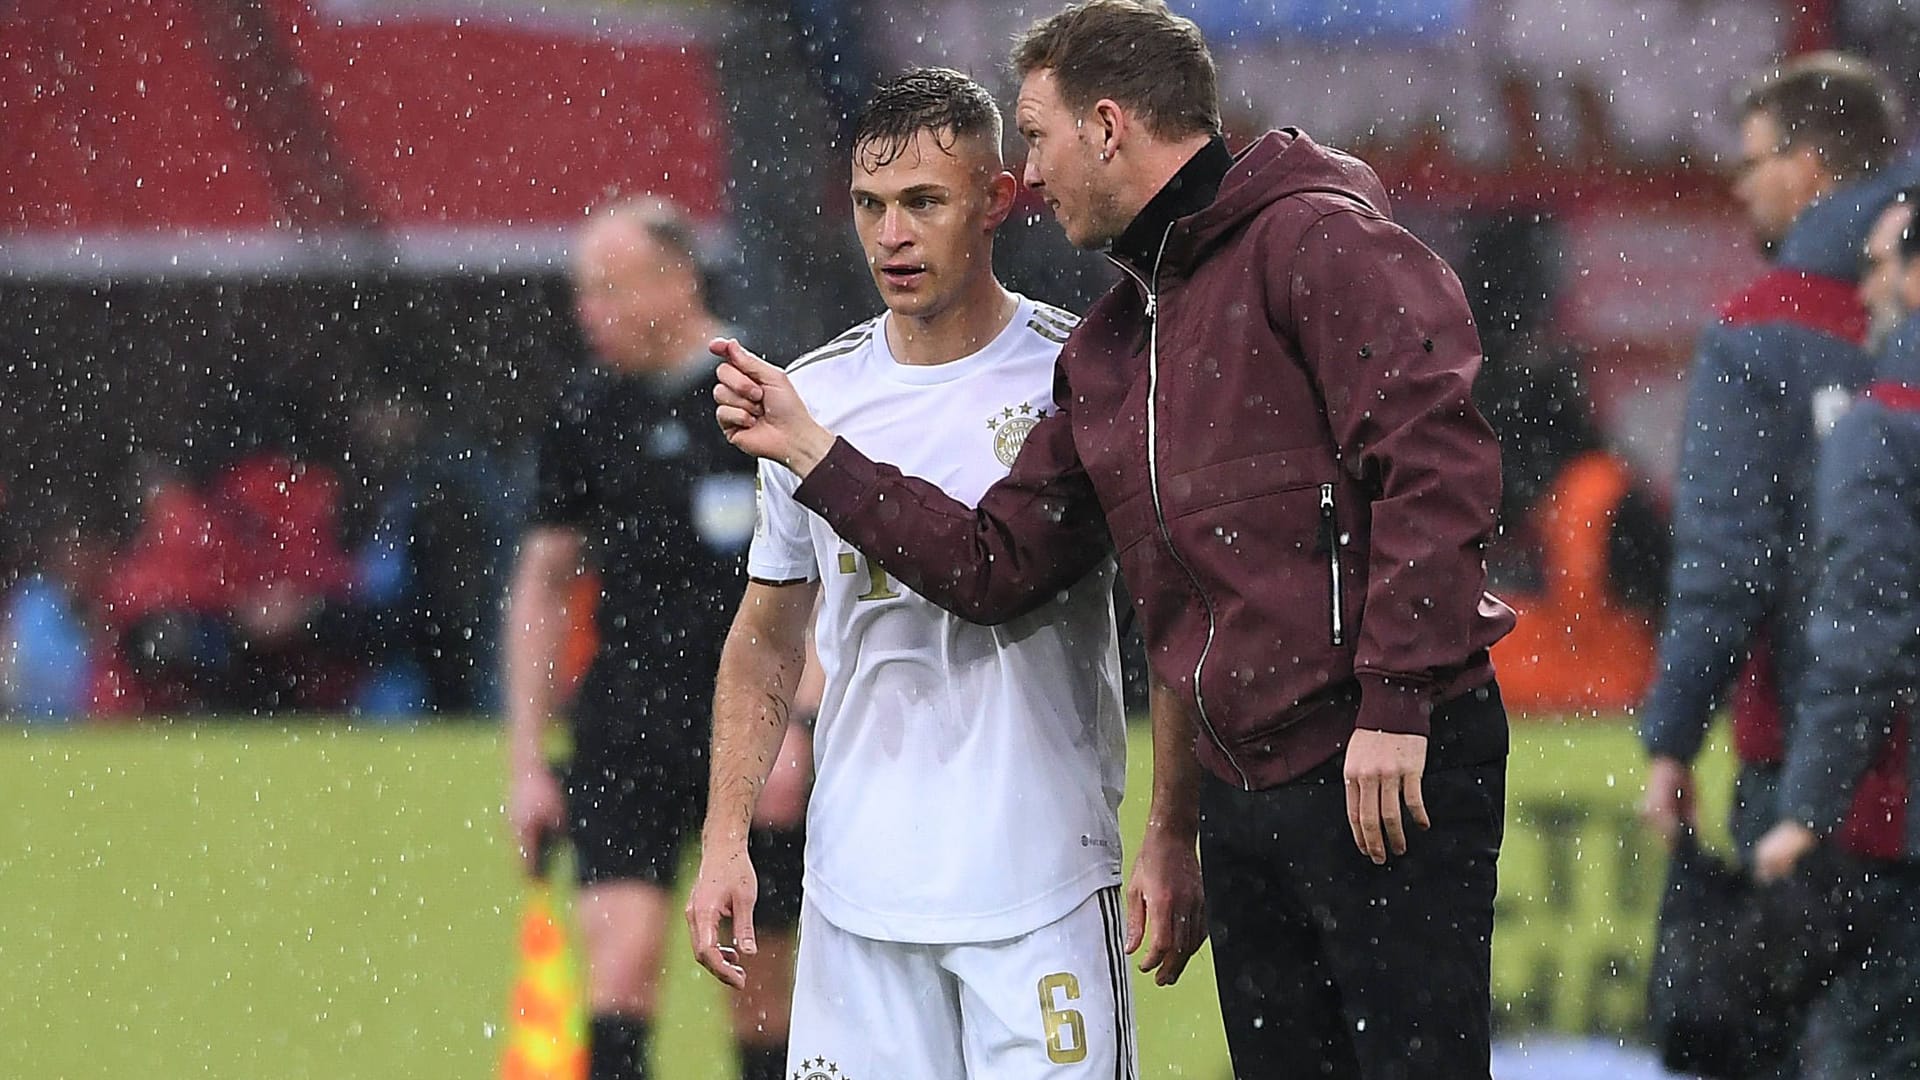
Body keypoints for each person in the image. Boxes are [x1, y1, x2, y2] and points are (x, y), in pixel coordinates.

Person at [712, 4, 1514, 1076]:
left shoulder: (1311, 237)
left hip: (1380, 758)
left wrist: (1399, 700)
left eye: (1035, 140)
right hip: (1247, 788)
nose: (1030, 177)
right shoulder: (1114, 346)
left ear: (1105, 126)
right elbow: (1000, 567)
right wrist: (820, 457)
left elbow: (1436, 458)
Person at [686, 66, 1197, 1079]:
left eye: (923, 201)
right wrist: (725, 838)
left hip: (1043, 884)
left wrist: (1172, 828)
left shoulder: (1077, 377)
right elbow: (767, 636)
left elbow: (1173, 617)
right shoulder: (813, 395)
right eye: (872, 207)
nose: (892, 236)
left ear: (996, 200)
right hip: (859, 892)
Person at [502, 197, 806, 1080]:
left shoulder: (767, 394)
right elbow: (543, 583)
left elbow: (823, 579)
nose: (586, 314)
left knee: (758, 982)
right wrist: (527, 759)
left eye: (606, 290)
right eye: (581, 294)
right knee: (621, 967)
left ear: (675, 282)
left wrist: (802, 720)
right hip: (627, 725)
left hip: (749, 730)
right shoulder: (586, 412)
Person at [1638, 54, 1907, 864]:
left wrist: (1674, 735)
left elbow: (1728, 563)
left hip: (1810, 759)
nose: (1740, 186)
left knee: (1769, 990)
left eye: (1753, 162)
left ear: (1808, 167)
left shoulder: (1759, 333)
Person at [1755, 200, 1920, 1077]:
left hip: (1896, 830)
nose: (1866, 287)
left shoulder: (1882, 424)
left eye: (1881, 262)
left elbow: (1863, 637)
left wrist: (1807, 811)